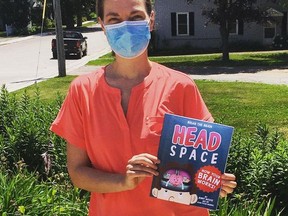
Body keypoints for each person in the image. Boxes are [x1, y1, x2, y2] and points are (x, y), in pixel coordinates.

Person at [50, 0, 237, 215]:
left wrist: (214, 181)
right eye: (114, 19)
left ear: (151, 20)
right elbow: (77, 172)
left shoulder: (180, 86)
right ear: (102, 25)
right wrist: (123, 182)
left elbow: (202, 160)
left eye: (136, 17)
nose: (126, 26)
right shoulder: (82, 91)